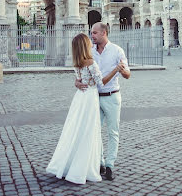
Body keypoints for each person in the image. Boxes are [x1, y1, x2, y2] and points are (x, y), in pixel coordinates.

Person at [46, 33, 122, 184]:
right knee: (89, 131)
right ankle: (86, 166)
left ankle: (72, 163)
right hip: (90, 98)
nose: (91, 44)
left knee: (77, 129)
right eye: (88, 42)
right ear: (84, 46)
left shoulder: (77, 63)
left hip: (80, 97)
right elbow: (102, 83)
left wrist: (77, 83)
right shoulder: (91, 62)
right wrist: (116, 69)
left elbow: (79, 80)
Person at [76, 22, 130, 181]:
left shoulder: (117, 50)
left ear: (104, 33)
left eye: (94, 33)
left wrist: (122, 69)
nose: (91, 36)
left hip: (112, 96)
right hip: (94, 98)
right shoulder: (89, 51)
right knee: (95, 131)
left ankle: (110, 165)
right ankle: (99, 162)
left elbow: (127, 75)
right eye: (91, 33)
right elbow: (81, 72)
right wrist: (76, 82)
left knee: (113, 132)